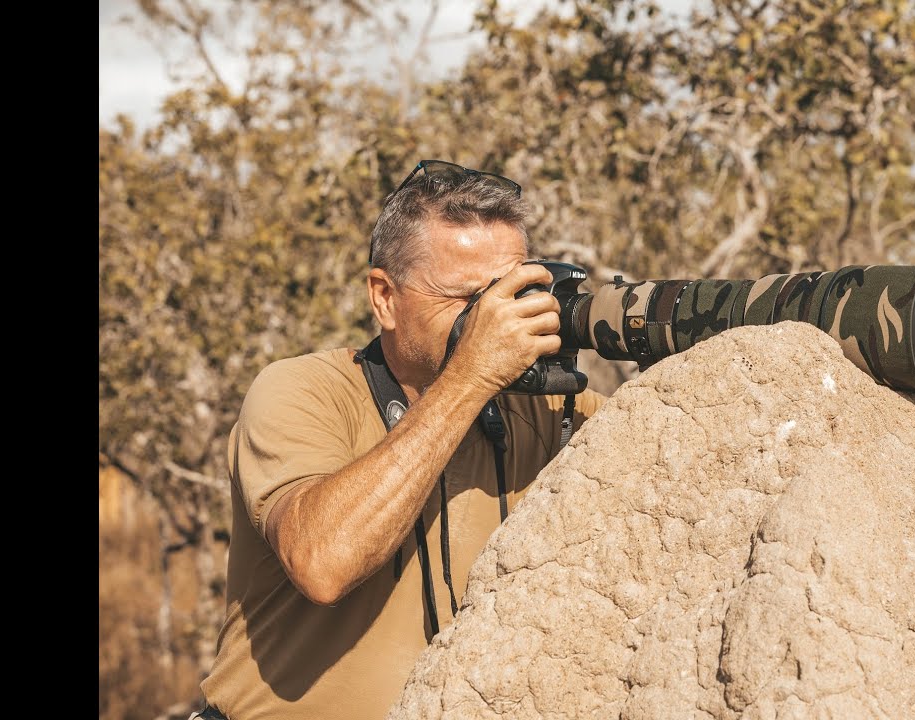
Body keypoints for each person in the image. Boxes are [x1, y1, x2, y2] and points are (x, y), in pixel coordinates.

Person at [193, 160, 608, 720]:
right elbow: (323, 562)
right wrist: (471, 378)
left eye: (512, 293)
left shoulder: (544, 409)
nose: (496, 318)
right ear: (384, 297)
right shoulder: (301, 391)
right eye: (468, 299)